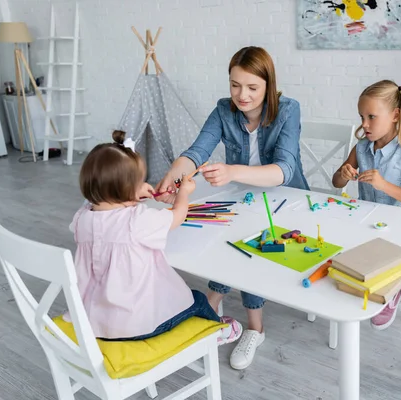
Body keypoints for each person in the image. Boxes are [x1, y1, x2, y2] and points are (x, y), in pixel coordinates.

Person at [154, 46, 309, 370]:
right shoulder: (224, 110)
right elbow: (197, 151)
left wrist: (232, 171)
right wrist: (172, 174)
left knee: (246, 246)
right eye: (235, 85)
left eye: (252, 87)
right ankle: (215, 303)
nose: (242, 95)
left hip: (287, 201)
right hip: (243, 197)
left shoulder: (287, 109)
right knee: (224, 238)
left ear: (268, 85)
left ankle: (252, 326)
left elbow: (285, 170)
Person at [64, 130, 242, 345]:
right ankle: (218, 333)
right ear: (124, 188)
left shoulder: (82, 218)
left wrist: (130, 194)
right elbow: (177, 217)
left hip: (94, 319)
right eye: (140, 181)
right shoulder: (137, 220)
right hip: (137, 323)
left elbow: (109, 214)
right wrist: (184, 193)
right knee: (198, 300)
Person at [332, 80, 401, 331]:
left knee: (380, 258)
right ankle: (353, 287)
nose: (364, 124)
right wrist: (344, 173)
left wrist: (384, 185)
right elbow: (336, 181)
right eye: (362, 117)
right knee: (335, 246)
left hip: (397, 231)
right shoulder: (362, 148)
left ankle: (392, 290)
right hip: (364, 223)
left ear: (395, 115)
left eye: (371, 117)